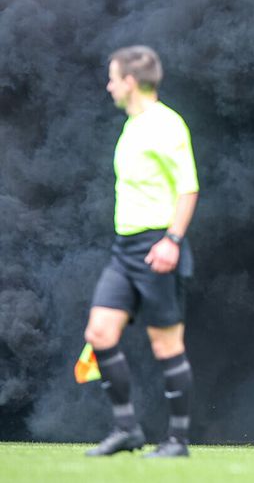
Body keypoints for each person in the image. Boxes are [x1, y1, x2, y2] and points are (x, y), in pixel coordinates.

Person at [83, 45, 199, 458]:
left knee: (166, 345)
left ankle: (178, 441)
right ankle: (127, 429)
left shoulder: (167, 125)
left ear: (131, 82)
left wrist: (172, 240)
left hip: (156, 246)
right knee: (99, 332)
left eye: (113, 77)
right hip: (124, 249)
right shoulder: (132, 125)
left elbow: (188, 188)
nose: (109, 85)